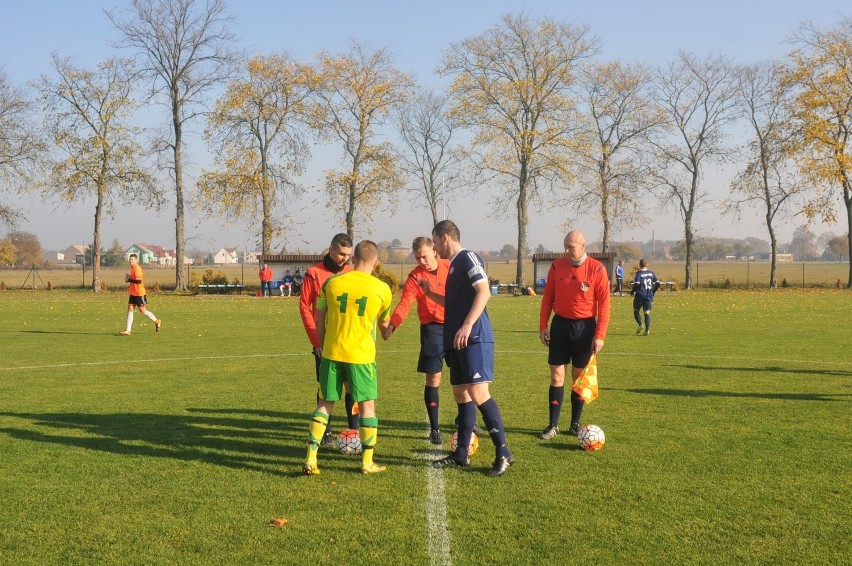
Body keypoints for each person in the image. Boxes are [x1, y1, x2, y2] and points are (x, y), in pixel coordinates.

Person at [420, 220, 514, 477]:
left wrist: (467, 325)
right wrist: (430, 294)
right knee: (461, 393)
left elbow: (484, 291)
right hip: (458, 340)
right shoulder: (453, 267)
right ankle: (461, 453)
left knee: (479, 392)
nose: (435, 247)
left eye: (435, 241)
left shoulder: (467, 258)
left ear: (446, 237)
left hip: (474, 338)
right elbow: (455, 302)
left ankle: (504, 451)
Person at [303, 240, 393, 475]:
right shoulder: (382, 289)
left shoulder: (332, 283)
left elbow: (319, 317)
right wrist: (387, 331)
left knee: (324, 403)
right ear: (375, 262)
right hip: (361, 357)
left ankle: (311, 458)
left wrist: (321, 346)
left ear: (353, 258)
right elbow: (384, 327)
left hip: (331, 353)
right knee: (367, 406)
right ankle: (367, 462)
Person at [538, 230, 610, 439]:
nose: (567, 250)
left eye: (571, 246)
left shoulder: (597, 269)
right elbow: (548, 298)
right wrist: (543, 325)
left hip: (584, 328)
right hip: (560, 326)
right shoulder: (556, 266)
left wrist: (600, 335)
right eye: (566, 246)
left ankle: (574, 424)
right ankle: (553, 425)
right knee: (556, 376)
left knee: (578, 378)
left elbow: (604, 305)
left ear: (583, 246)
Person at [382, 236, 451, 445]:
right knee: (434, 378)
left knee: (463, 378)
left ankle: (465, 419)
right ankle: (435, 429)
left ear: (435, 251)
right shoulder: (414, 277)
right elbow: (405, 303)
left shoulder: (450, 266)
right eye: (418, 258)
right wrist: (392, 325)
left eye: (425, 256)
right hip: (432, 329)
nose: (422, 261)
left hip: (456, 326)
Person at [299, 233, 359, 445]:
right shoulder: (314, 273)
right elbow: (305, 307)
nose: (345, 258)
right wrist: (316, 340)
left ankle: (355, 432)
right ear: (331, 249)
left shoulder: (352, 273)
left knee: (352, 386)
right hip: (325, 343)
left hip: (349, 342)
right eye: (341, 254)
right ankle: (326, 432)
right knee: (327, 388)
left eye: (348, 255)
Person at [119, 253, 161, 336]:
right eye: (130, 259)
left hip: (139, 293)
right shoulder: (132, 268)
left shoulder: (137, 268)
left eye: (132, 259)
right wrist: (130, 279)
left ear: (136, 260)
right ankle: (128, 330)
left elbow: (139, 281)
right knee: (130, 309)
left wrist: (129, 280)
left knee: (142, 311)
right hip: (133, 293)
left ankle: (157, 321)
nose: (130, 261)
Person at [631, 258, 660, 336]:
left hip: (640, 295)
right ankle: (647, 330)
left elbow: (636, 284)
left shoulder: (639, 274)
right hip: (649, 295)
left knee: (636, 310)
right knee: (646, 313)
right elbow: (658, 283)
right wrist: (653, 291)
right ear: (647, 264)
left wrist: (632, 291)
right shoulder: (651, 273)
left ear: (639, 265)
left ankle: (640, 324)